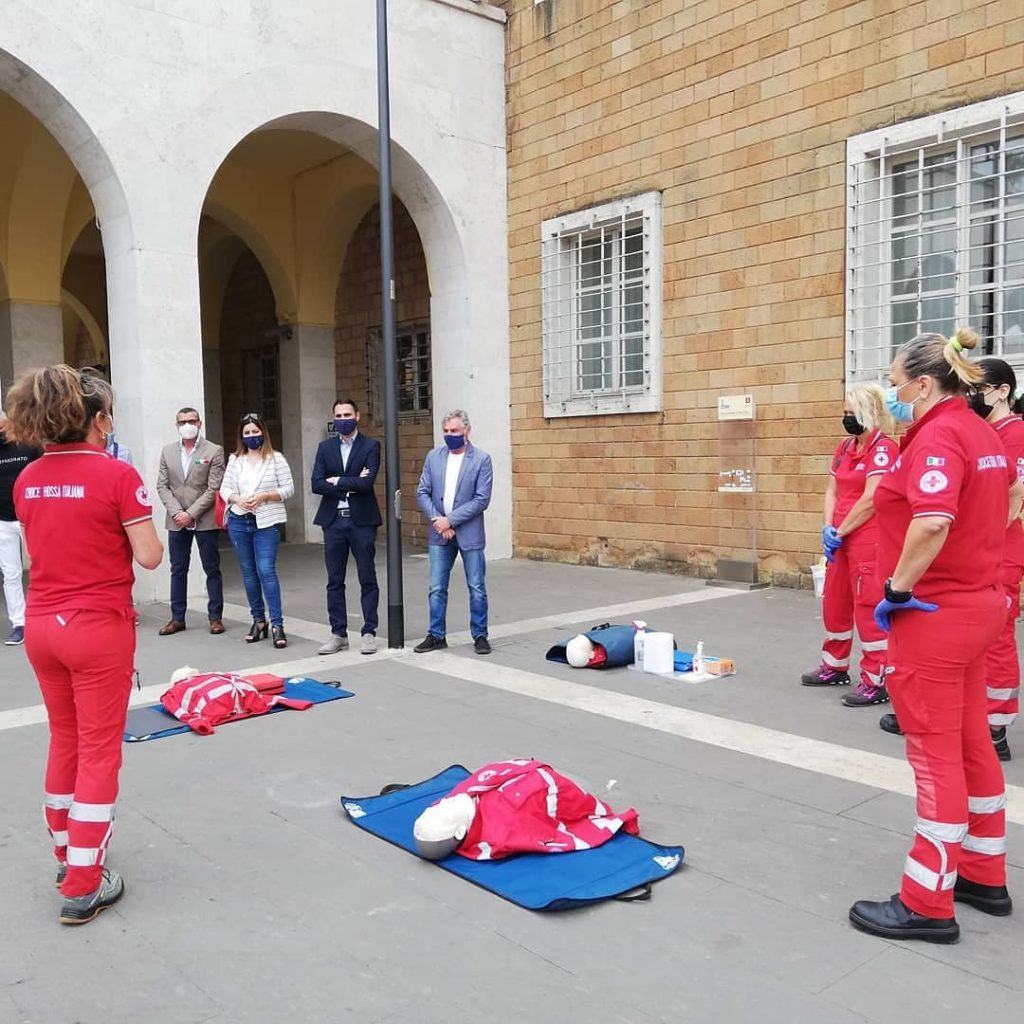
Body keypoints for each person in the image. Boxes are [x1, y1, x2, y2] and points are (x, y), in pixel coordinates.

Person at [848, 327, 1021, 944]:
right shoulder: (983, 431)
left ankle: (927, 901)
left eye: (895, 383)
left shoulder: (940, 436)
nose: (891, 394)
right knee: (973, 740)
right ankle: (983, 873)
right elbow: (1009, 500)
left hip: (935, 612)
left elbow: (932, 521)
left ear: (923, 384)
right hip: (980, 604)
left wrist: (896, 589)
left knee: (934, 753)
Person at [6, 365, 162, 925]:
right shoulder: (116, 473)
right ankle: (83, 882)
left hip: (43, 625)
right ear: (96, 420)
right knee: (99, 751)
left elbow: (39, 548)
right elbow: (149, 556)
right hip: (98, 626)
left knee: (65, 740)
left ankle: (65, 852)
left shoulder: (26, 479)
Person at [800, 384, 897, 707]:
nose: (846, 419)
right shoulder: (845, 447)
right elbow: (832, 490)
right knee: (835, 602)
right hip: (839, 539)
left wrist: (841, 530)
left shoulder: (883, 449)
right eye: (844, 413)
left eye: (851, 413)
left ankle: (875, 680)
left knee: (868, 608)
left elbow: (872, 498)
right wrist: (828, 526)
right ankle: (834, 665)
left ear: (869, 413)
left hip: (867, 539)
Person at [414, 409, 493, 655]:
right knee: (436, 587)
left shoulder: (481, 459)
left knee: (476, 586)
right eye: (446, 431)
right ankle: (436, 634)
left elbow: (481, 499)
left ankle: (480, 634)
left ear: (467, 431)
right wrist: (438, 520)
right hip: (439, 533)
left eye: (455, 431)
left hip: (469, 533)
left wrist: (450, 521)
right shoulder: (433, 457)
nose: (450, 435)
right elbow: (422, 491)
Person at [311, 399, 381, 655]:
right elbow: (316, 484)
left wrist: (338, 479)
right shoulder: (325, 447)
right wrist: (352, 482)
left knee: (367, 577)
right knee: (334, 580)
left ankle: (369, 632)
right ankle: (338, 633)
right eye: (338, 415)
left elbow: (367, 483)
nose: (343, 419)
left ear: (358, 416)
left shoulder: (371, 446)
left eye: (347, 414)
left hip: (361, 521)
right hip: (333, 521)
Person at [219, 412, 293, 648]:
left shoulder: (276, 459)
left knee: (266, 570)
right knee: (248, 572)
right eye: (247, 432)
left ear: (263, 432)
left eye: (255, 431)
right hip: (240, 520)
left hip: (266, 521)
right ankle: (258, 619)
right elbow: (224, 489)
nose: (252, 436)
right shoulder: (235, 460)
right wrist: (237, 499)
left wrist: (265, 496)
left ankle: (277, 624)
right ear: (242, 436)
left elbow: (289, 488)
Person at [155, 407, 226, 636]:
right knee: (178, 569)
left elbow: (214, 487)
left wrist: (191, 513)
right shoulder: (167, 452)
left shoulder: (213, 450)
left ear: (199, 423)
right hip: (176, 520)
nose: (187, 424)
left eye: (191, 420)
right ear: (177, 425)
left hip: (204, 519)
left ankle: (215, 617)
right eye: (182, 421)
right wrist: (178, 513)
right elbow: (162, 486)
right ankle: (177, 618)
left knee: (211, 568)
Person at [0, 408, 39, 645]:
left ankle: (40, 616)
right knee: (11, 574)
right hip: (3, 522)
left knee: (42, 568)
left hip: (31, 518)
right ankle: (19, 623)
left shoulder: (28, 446)